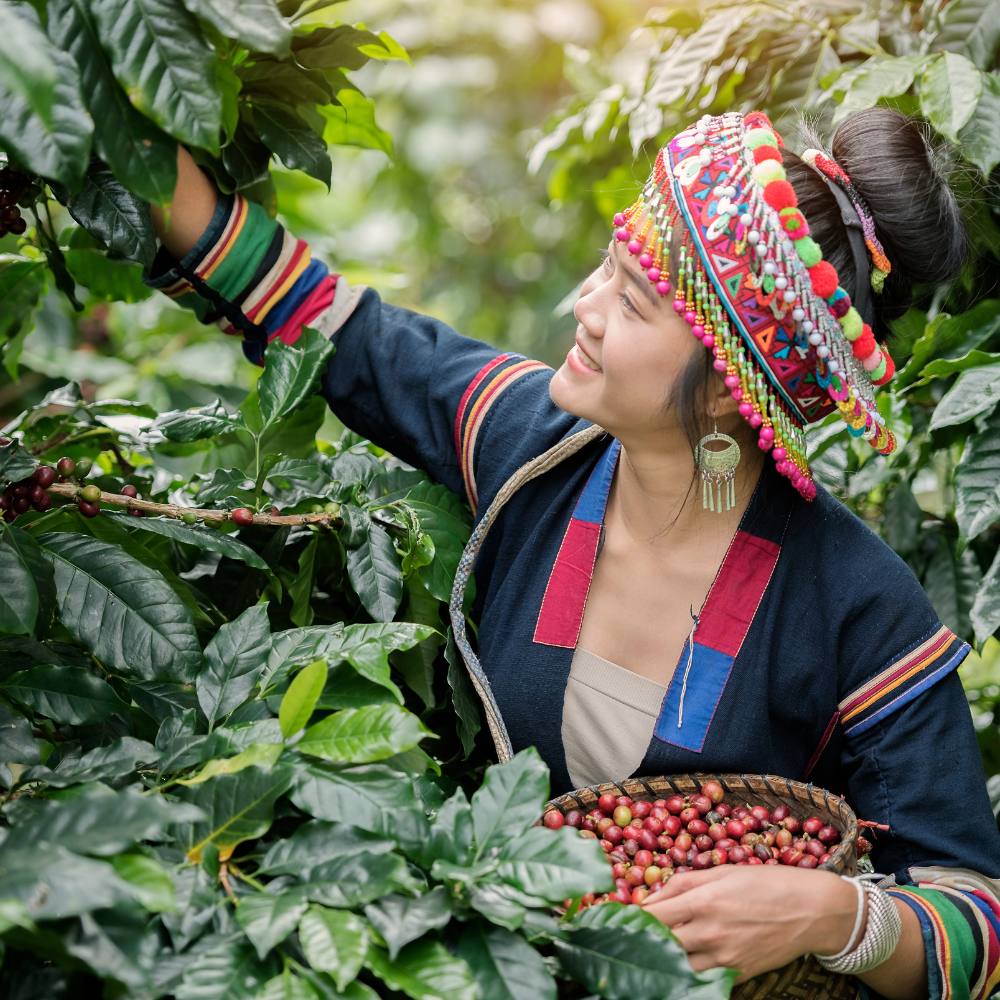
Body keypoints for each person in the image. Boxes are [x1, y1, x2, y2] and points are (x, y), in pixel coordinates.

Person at [148, 107, 1000, 999]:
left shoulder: (854, 602)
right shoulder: (534, 451)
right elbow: (333, 325)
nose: (586, 307)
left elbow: (976, 918)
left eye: (631, 300)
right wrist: (124, 143)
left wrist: (832, 915)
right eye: (609, 264)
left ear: (723, 391)